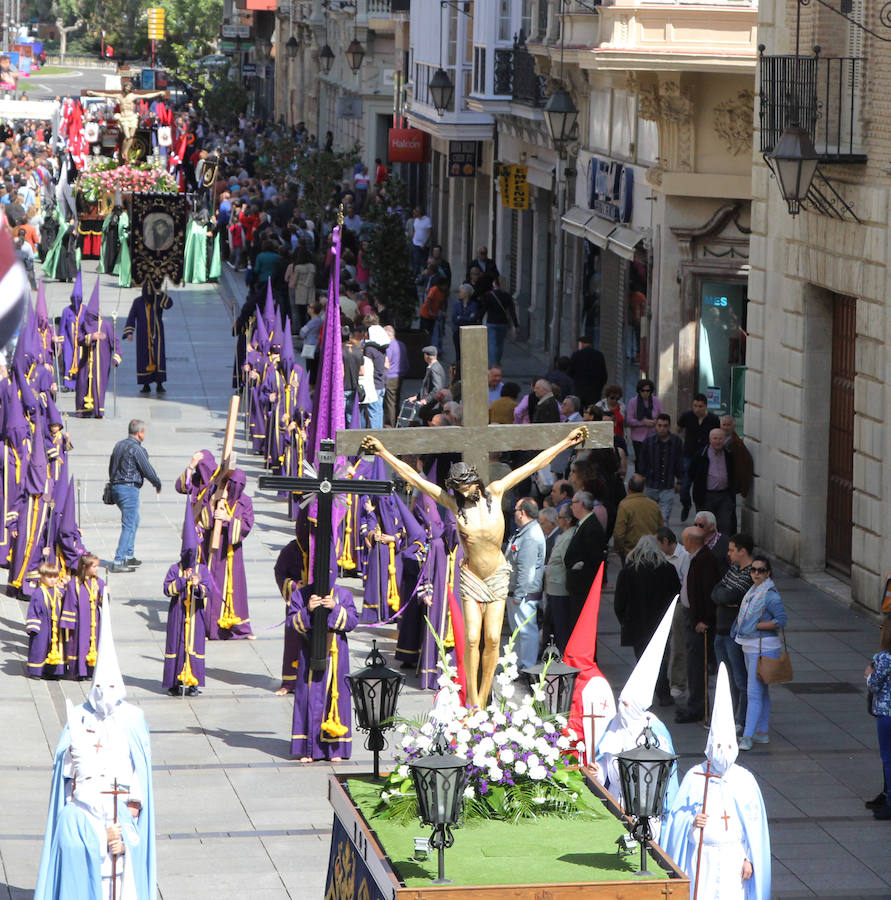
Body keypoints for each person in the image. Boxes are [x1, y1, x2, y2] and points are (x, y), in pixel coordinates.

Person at [360, 425, 588, 708]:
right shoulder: (455, 506)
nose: (460, 492)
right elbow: (416, 481)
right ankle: (473, 701)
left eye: (463, 486)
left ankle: (482, 697)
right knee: (470, 639)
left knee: (492, 639)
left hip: (497, 575)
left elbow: (532, 465)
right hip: (471, 576)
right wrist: (383, 452)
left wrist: (565, 442)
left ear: (474, 482)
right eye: (456, 488)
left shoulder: (496, 491)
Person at [34, 594, 156, 900]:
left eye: (110, 688)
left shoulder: (133, 718)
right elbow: (65, 775)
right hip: (86, 814)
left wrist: (127, 823)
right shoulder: (79, 718)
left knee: (118, 880)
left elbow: (139, 777)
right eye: (99, 687)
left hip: (120, 815)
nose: (104, 695)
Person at [662, 664, 771, 900]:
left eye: (729, 747)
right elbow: (676, 819)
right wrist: (692, 823)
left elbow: (754, 825)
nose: (724, 752)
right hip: (703, 857)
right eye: (719, 747)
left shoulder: (744, 780)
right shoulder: (695, 777)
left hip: (734, 857)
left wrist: (749, 857)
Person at [286, 582, 357, 761]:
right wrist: (308, 610)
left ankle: (335, 749)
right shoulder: (301, 595)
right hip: (310, 651)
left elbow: (352, 621)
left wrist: (335, 607)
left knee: (336, 698)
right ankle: (308, 748)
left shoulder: (343, 593)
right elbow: (292, 624)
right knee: (308, 696)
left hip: (337, 653)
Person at [614, 534, 680, 706]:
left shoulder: (628, 571)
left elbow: (619, 602)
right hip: (661, 623)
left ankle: (646, 693)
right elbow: (676, 595)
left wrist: (624, 620)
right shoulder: (668, 569)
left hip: (637, 624)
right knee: (661, 659)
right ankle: (663, 692)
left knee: (642, 660)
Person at [731, 554, 787, 750]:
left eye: (760, 570)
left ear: (768, 573)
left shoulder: (769, 594)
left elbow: (781, 620)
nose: (756, 573)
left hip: (763, 647)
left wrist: (761, 624)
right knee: (761, 692)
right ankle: (761, 733)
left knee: (754, 692)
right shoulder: (753, 591)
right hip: (751, 645)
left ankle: (747, 737)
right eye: (753, 570)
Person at [162, 508, 213, 696]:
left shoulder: (203, 570)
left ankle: (193, 683)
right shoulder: (175, 569)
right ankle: (174, 682)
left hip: (195, 615)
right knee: (176, 644)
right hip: (177, 614)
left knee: (194, 644)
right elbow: (167, 589)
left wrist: (198, 585)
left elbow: (208, 591)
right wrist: (183, 581)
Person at [201, 469, 256, 641]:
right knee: (213, 585)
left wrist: (228, 519)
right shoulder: (216, 495)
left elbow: (247, 525)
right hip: (215, 551)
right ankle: (211, 627)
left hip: (233, 553)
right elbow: (203, 520)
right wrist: (211, 506)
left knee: (235, 589)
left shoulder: (245, 501)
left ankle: (238, 628)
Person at [676, 526, 722, 724]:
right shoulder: (697, 558)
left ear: (691, 541)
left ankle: (698, 707)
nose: (682, 543)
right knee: (692, 663)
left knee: (697, 665)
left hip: (699, 622)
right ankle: (694, 703)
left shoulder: (704, 560)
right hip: (691, 616)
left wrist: (704, 619)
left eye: (684, 540)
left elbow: (707, 592)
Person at [107, 420, 162, 574]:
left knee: (134, 520)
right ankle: (118, 560)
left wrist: (114, 482)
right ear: (140, 433)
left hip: (117, 488)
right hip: (128, 489)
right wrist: (157, 483)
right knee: (129, 524)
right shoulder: (136, 449)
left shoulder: (119, 444)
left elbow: (111, 465)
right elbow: (147, 469)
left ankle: (129, 554)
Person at [712, 533, 754, 732]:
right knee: (726, 678)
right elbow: (717, 591)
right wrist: (723, 597)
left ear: (742, 550)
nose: (728, 554)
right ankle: (729, 715)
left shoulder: (749, 573)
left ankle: (741, 719)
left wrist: (724, 596)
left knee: (739, 679)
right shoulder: (734, 569)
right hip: (721, 631)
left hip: (735, 633)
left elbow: (732, 594)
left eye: (731, 550)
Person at [506, 497, 546, 672]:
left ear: (522, 513)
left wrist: (518, 596)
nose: (514, 513)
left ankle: (527, 666)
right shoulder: (525, 531)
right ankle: (519, 664)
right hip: (521, 592)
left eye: (515, 510)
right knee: (519, 631)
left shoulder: (530, 536)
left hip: (524, 594)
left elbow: (526, 570)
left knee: (526, 631)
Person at [563, 490, 608, 633]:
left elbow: (593, 559)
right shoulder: (584, 524)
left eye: (573, 503)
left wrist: (578, 566)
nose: (571, 507)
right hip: (578, 586)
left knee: (582, 626)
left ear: (581, 504)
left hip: (583, 587)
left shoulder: (591, 527)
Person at [76, 279, 121, 418]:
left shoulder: (106, 326)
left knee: (99, 385)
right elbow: (79, 339)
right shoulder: (84, 325)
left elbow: (116, 343)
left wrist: (116, 357)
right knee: (83, 383)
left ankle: (98, 411)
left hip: (101, 363)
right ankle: (83, 410)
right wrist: (91, 337)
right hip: (85, 362)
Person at [657, 526, 691, 701]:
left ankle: (678, 683)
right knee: (663, 646)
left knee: (678, 644)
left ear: (665, 542)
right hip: (663, 603)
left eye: (658, 544)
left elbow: (685, 582)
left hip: (678, 604)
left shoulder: (684, 556)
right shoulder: (661, 556)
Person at [122, 284, 173, 394]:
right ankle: (146, 384)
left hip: (157, 334)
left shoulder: (158, 300)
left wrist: (161, 293)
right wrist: (129, 332)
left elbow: (169, 304)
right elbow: (131, 317)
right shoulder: (137, 302)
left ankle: (160, 383)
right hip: (142, 336)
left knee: (158, 357)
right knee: (143, 357)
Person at [677, 393, 720, 520]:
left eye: (700, 406)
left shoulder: (713, 419)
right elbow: (677, 429)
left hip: (704, 458)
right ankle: (686, 504)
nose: (697, 409)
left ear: (705, 406)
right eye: (695, 406)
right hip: (688, 456)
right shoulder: (687, 416)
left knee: (700, 488)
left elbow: (717, 434)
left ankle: (699, 514)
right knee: (684, 487)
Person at [62, 553, 105, 681]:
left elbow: (103, 603)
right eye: (94, 566)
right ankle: (80, 672)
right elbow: (70, 603)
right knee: (79, 645)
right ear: (85, 567)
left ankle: (91, 671)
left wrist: (104, 593)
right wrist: (70, 623)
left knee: (93, 644)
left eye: (97, 566)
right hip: (80, 622)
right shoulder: (74, 583)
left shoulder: (99, 582)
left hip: (94, 620)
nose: (97, 569)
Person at [866, 616, 891, 819]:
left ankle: (890, 800)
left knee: (888, 757)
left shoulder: (885, 658)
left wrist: (868, 674)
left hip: (887, 713)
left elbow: (874, 684)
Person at [25, 561, 68, 679]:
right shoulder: (38, 593)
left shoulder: (59, 591)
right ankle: (36, 670)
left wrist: (67, 586)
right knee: (40, 647)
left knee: (55, 647)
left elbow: (67, 599)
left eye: (55, 577)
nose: (53, 580)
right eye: (49, 577)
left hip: (56, 625)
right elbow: (33, 610)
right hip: (43, 625)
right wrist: (33, 625)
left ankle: (53, 671)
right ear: (42, 577)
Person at [638, 413, 684, 523]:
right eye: (659, 425)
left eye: (665, 425)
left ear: (669, 426)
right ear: (656, 426)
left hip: (668, 485)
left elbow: (679, 462)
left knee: (664, 519)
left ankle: (662, 539)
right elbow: (642, 461)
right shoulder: (648, 441)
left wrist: (680, 481)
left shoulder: (676, 441)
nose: (662, 428)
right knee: (649, 519)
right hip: (651, 484)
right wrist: (642, 478)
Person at [691, 428, 736, 536]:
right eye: (715, 438)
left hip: (724, 496)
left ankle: (723, 550)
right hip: (706, 496)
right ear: (710, 439)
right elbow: (691, 472)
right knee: (706, 528)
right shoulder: (701, 454)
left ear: (724, 440)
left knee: (725, 526)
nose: (718, 441)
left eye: (720, 438)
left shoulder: (728, 454)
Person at [545, 505, 577, 652]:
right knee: (553, 623)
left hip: (559, 588)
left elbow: (567, 561)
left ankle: (564, 653)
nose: (558, 520)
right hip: (554, 587)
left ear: (568, 520)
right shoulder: (564, 534)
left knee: (561, 624)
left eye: (561, 517)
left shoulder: (569, 536)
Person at [612, 474, 664, 562]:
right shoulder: (654, 505)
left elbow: (619, 533)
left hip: (630, 551)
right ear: (644, 488)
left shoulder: (624, 505)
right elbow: (661, 528)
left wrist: (620, 550)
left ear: (628, 488)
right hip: (650, 550)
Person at [720, 414, 754, 532]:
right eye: (724, 425)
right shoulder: (716, 439)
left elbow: (744, 463)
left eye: (728, 425)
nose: (726, 427)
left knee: (729, 514)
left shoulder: (736, 443)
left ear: (733, 426)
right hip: (716, 484)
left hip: (729, 484)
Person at [626, 378, 663, 472]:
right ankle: (638, 481)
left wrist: (655, 422)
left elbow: (662, 417)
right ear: (639, 391)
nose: (645, 393)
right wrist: (643, 422)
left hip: (653, 436)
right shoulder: (633, 402)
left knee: (653, 461)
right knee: (640, 461)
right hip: (638, 438)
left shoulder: (656, 401)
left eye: (648, 391)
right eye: (643, 391)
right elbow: (629, 420)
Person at [568, 335, 608, 409]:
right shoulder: (599, 355)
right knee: (592, 411)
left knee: (578, 411)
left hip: (579, 389)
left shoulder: (577, 355)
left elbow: (570, 372)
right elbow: (603, 374)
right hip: (594, 391)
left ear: (582, 344)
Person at [383, 324, 408, 427]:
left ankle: (390, 425)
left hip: (390, 376)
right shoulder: (401, 344)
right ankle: (396, 421)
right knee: (396, 400)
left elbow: (386, 363)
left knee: (390, 403)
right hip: (399, 374)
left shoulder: (388, 346)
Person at [451, 282, 479, 362]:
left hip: (469, 333)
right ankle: (458, 371)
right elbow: (454, 319)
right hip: (457, 332)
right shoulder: (456, 305)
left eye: (461, 292)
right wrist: (466, 318)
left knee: (468, 353)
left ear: (466, 294)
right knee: (458, 353)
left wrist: (461, 318)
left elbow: (472, 319)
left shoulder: (473, 305)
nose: (459, 293)